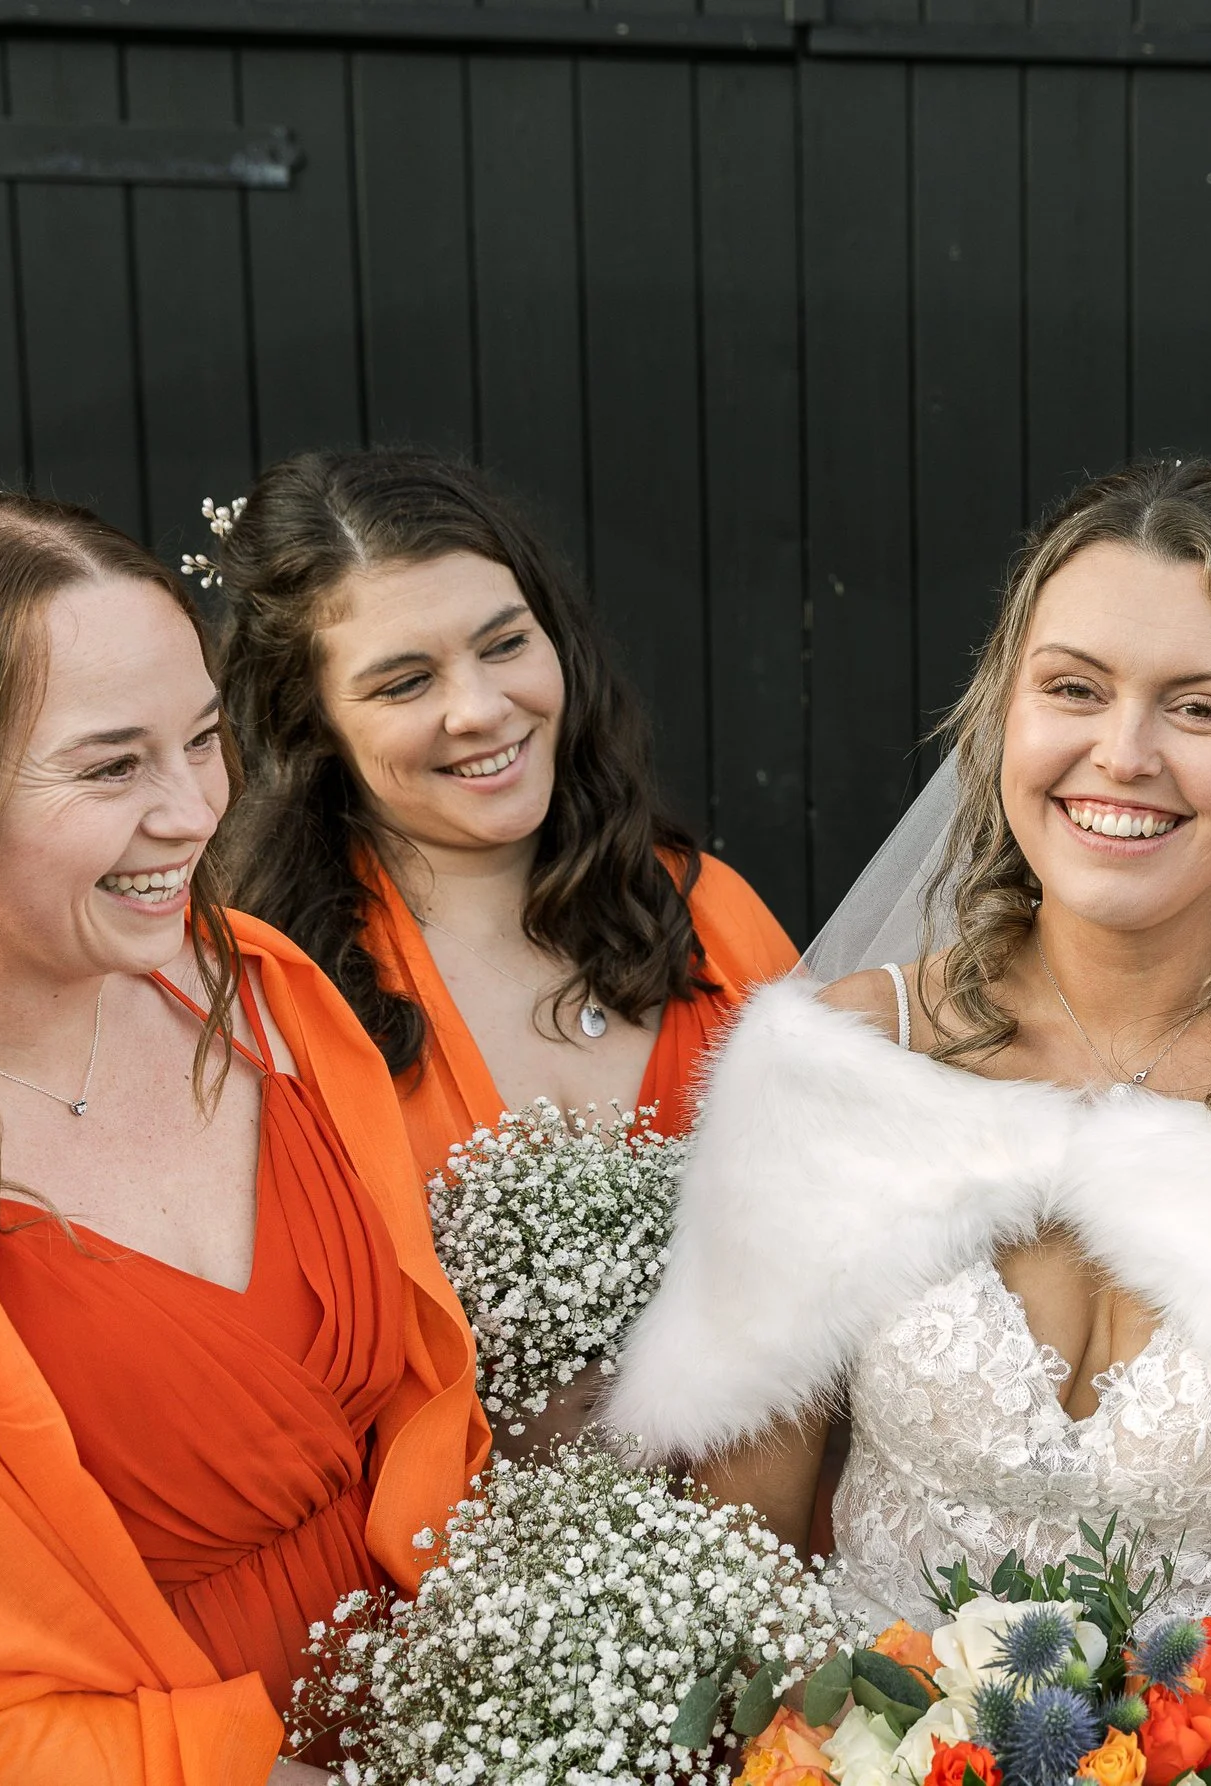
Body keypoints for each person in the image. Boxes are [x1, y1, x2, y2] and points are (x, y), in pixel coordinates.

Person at [603, 459, 1211, 1763]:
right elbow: (744, 1544)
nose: (1121, 753)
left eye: (1195, 705)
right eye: (1072, 688)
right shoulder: (844, 1060)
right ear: (1002, 715)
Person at [0, 493, 488, 1784]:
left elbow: (419, 1409)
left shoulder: (264, 988)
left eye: (201, 739)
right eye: (112, 764)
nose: (195, 811)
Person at [213, 452, 796, 1448]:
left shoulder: (714, 915)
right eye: (405, 682)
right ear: (313, 722)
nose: (479, 708)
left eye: (503, 644)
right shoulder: (266, 995)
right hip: (441, 1565)